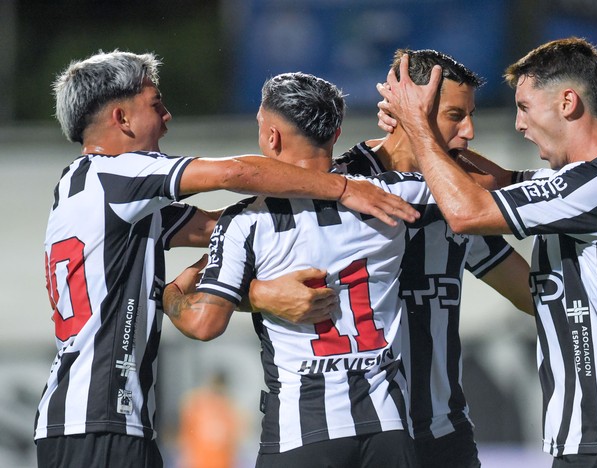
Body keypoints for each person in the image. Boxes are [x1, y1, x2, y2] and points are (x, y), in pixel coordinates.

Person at [34, 50, 418, 468]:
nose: (167, 117)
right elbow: (234, 174)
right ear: (122, 119)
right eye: (156, 104)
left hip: (86, 417)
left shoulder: (86, 185)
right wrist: (343, 189)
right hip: (101, 419)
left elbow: (225, 229)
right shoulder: (118, 174)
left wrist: (254, 284)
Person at [378, 37, 597, 467]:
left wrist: (420, 127)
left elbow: (467, 212)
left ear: (567, 102)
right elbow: (496, 180)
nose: (519, 124)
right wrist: (416, 127)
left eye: (524, 106)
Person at [163, 71, 489, 468]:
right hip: (387, 430)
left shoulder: (245, 223)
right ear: (336, 135)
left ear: (271, 138)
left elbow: (203, 324)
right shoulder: (392, 196)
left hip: (303, 433)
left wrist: (172, 289)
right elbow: (472, 199)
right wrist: (414, 127)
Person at [332, 48, 533, 468]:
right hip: (364, 433)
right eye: (456, 115)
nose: (470, 131)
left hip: (446, 432)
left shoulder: (456, 201)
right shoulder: (342, 187)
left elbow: (529, 292)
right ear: (414, 108)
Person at [177, 370, 246, 468]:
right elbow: (185, 436)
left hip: (221, 462)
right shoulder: (196, 404)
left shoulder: (229, 408)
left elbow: (235, 440)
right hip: (200, 462)